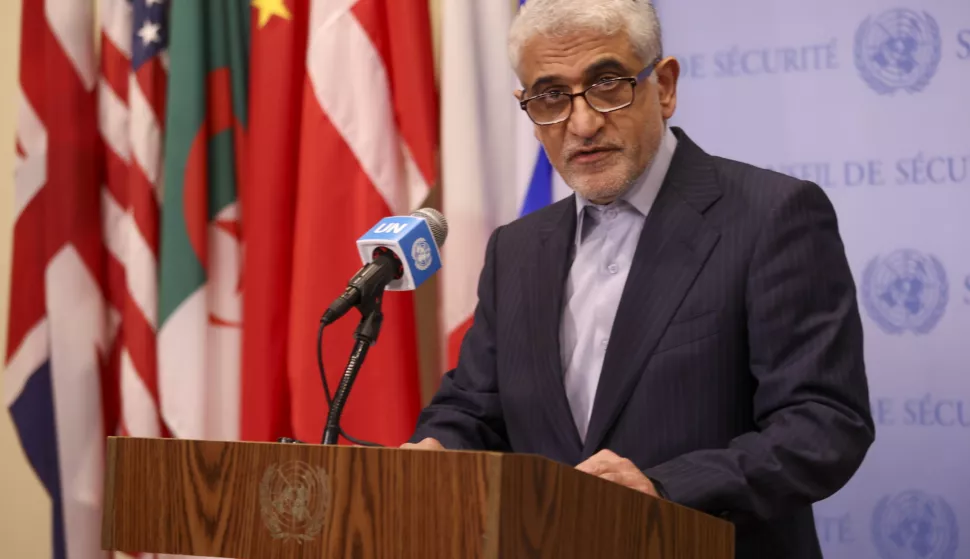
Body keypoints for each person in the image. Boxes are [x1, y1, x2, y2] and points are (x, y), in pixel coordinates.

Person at [403, 0, 875, 557]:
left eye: (607, 84)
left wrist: (665, 487)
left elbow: (822, 425)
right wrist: (436, 447)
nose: (582, 123)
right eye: (551, 96)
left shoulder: (771, 216)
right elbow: (473, 409)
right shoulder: (516, 249)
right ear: (528, 109)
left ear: (665, 85)